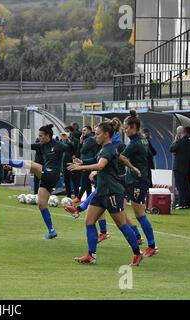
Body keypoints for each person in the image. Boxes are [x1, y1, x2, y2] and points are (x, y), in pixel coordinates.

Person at [67, 120, 143, 266]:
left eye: (98, 134)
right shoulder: (104, 149)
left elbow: (100, 166)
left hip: (112, 192)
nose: (96, 137)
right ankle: (91, 255)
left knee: (122, 224)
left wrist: (80, 168)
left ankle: (137, 253)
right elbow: (100, 160)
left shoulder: (108, 148)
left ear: (107, 134)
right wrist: (81, 162)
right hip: (102, 191)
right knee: (89, 222)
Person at [119, 110, 159, 257]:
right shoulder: (143, 140)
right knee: (108, 187)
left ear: (134, 127)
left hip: (137, 181)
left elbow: (122, 157)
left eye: (127, 127)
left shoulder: (135, 143)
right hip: (131, 178)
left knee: (140, 214)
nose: (125, 129)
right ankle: (81, 207)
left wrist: (132, 167)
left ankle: (152, 245)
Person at [170, 126, 190, 209]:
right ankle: (187, 203)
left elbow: (171, 149)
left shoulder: (180, 141)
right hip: (187, 167)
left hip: (179, 167)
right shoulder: (189, 142)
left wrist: (175, 140)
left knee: (180, 186)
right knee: (186, 186)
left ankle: (181, 203)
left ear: (179, 133)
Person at [74, 126, 99, 203]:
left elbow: (83, 150)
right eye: (82, 130)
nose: (83, 131)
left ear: (89, 131)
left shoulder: (90, 139)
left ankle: (79, 197)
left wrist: (81, 142)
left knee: (84, 181)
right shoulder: (87, 139)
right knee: (87, 182)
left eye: (84, 130)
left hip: (89, 163)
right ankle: (88, 198)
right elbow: (80, 151)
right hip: (86, 162)